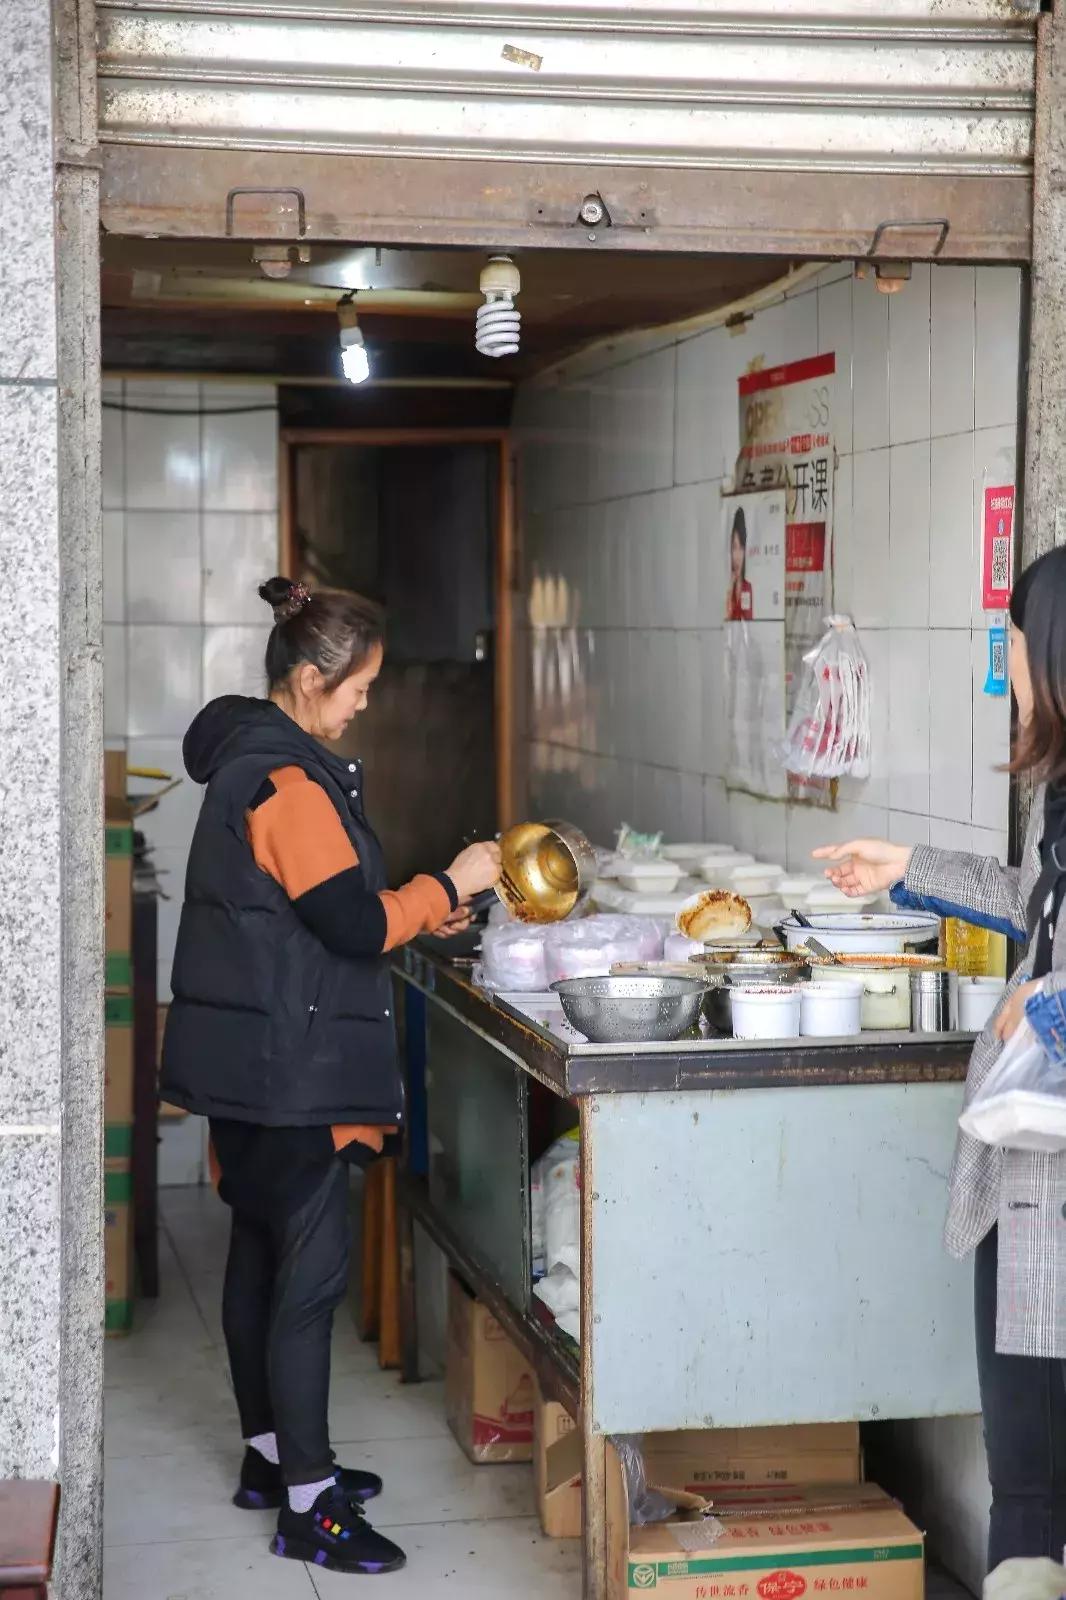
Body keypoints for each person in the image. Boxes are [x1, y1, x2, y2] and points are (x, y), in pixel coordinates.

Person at [160, 577, 501, 1576]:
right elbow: (348, 925)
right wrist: (453, 882)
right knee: (305, 1283)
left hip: (251, 1060)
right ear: (310, 679)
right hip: (292, 1068)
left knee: (258, 1259)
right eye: (358, 687)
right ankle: (311, 1506)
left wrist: (411, 904)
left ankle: (272, 1461)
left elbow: (320, 909)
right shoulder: (289, 784)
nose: (364, 704)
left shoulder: (251, 763)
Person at [813, 545, 1066, 1574]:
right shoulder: (1059, 792)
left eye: (1011, 648)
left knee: (1032, 1478)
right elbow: (1035, 905)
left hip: (1047, 1168)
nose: (1000, 676)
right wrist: (909, 867)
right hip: (1034, 1172)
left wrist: (1039, 1013)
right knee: (1029, 1473)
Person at [726, 506, 753, 622]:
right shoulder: (727, 588)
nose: (737, 556)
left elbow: (749, 622)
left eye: (741, 548)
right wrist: (731, 586)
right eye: (734, 547)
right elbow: (724, 619)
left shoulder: (747, 587)